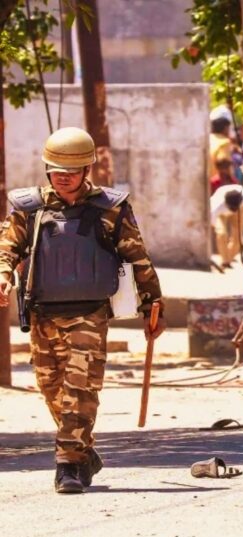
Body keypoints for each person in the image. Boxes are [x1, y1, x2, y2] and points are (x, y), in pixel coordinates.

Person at [0, 127, 165, 494]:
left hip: (89, 315)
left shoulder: (110, 209)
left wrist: (152, 304)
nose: (63, 177)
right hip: (43, 313)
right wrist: (4, 274)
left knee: (80, 388)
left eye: (71, 171)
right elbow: (7, 248)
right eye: (56, 170)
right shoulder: (31, 209)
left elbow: (138, 257)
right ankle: (85, 452)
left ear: (87, 170)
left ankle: (69, 465)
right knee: (51, 388)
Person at [210, 183, 243, 269]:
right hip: (221, 215)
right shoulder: (216, 205)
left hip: (240, 210)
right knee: (221, 234)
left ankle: (227, 261)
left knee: (237, 239)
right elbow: (211, 226)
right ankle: (225, 260)